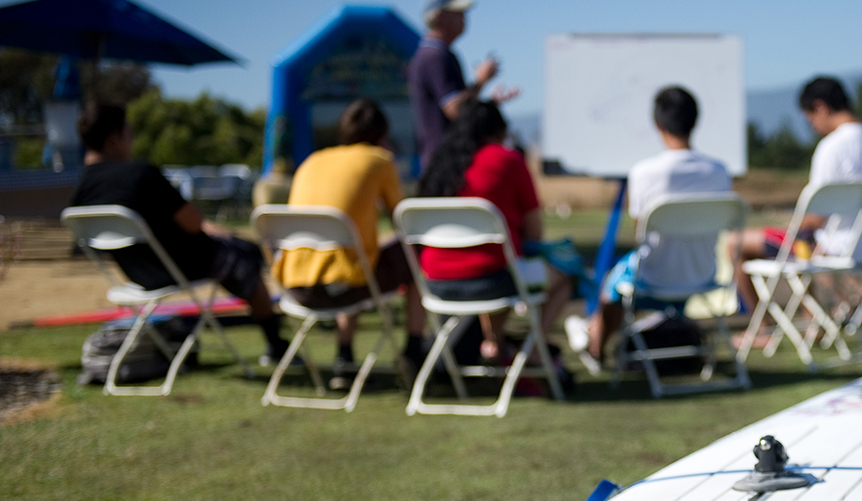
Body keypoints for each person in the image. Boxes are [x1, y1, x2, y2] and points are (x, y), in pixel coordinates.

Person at [69, 104, 290, 364]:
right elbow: (194, 223)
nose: (133, 140)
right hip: (183, 265)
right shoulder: (141, 174)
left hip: (138, 275)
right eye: (129, 133)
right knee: (244, 252)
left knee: (230, 253)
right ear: (114, 138)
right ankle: (275, 342)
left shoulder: (80, 193)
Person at [562, 86, 732, 374]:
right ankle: (596, 336)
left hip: (654, 276)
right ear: (696, 121)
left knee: (611, 284)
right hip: (704, 274)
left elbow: (641, 230)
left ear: (658, 125)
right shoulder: (719, 171)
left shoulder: (645, 172)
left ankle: (596, 349)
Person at [417, 99, 572, 372]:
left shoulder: (440, 165)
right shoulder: (508, 160)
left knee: (500, 266)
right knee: (562, 278)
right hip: (493, 279)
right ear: (499, 130)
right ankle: (533, 350)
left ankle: (495, 344)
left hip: (435, 283)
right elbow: (535, 233)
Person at [276, 99, 427, 376]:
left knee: (351, 257)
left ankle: (344, 357)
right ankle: (414, 350)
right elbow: (404, 221)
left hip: (296, 288)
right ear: (382, 135)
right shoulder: (379, 160)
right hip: (346, 286)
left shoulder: (312, 161)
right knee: (415, 254)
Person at [729, 76, 862, 319]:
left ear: (820, 107)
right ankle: (817, 318)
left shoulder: (832, 147)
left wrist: (791, 222)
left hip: (833, 248)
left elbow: (816, 217)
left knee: (734, 242)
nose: (813, 126)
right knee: (800, 237)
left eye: (810, 119)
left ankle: (763, 326)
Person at [409, 0, 518, 171]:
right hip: (445, 160)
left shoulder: (434, 53)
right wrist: (480, 81)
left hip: (442, 159)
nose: (464, 18)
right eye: (457, 12)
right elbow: (456, 109)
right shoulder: (435, 56)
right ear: (438, 16)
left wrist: (490, 102)